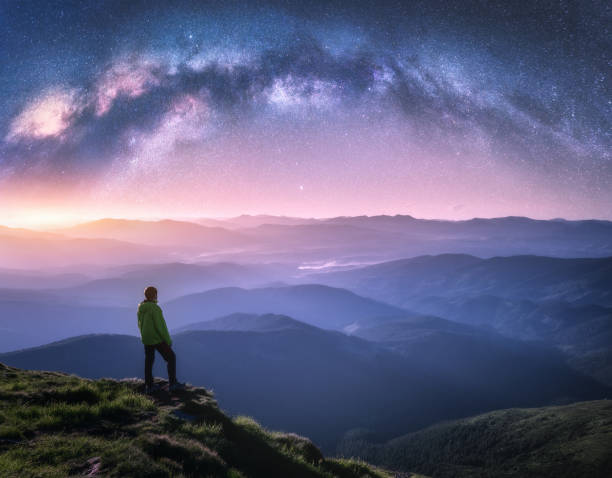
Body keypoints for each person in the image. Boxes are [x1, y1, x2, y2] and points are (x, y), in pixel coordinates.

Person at [137, 286, 185, 394]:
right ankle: (173, 384)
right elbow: (161, 326)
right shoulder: (155, 308)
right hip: (156, 338)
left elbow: (140, 324)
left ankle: (149, 386)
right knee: (171, 357)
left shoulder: (141, 308)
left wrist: (144, 336)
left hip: (146, 338)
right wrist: (168, 341)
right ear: (154, 295)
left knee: (149, 361)